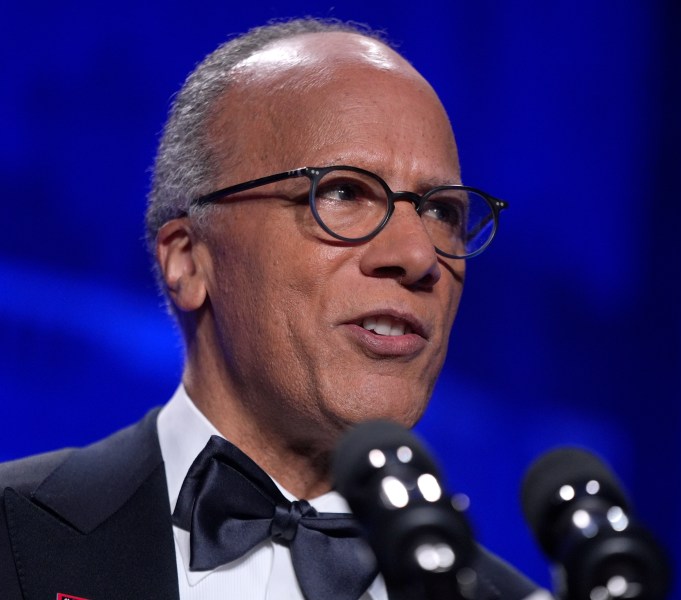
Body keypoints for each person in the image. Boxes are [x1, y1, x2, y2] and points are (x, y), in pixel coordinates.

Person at [0, 17, 545, 600]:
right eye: (342, 192)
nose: (417, 256)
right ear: (188, 260)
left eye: (442, 211)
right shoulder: (14, 539)